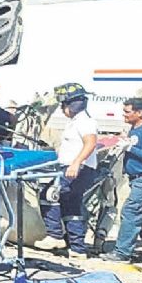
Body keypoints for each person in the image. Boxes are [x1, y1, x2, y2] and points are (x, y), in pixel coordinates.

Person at [34, 83, 98, 259]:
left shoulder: (84, 122)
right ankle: (77, 248)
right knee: (71, 207)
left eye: (63, 105)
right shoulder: (77, 121)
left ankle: (54, 235)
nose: (62, 109)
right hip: (74, 167)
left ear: (72, 104)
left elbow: (90, 143)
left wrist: (76, 163)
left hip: (78, 168)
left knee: (49, 194)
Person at [100, 97, 142, 262]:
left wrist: (131, 148)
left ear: (139, 113)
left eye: (127, 111)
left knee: (131, 212)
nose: (123, 115)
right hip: (135, 178)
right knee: (141, 216)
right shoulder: (134, 129)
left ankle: (122, 253)